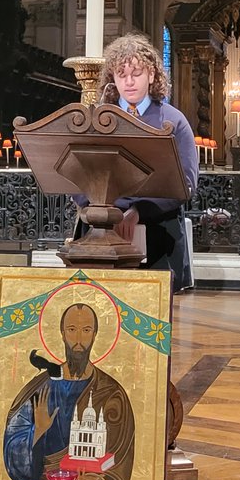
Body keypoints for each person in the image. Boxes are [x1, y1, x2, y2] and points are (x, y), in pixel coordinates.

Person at [95, 33, 200, 292]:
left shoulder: (173, 121)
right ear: (112, 79)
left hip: (159, 234)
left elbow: (185, 185)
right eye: (121, 74)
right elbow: (78, 174)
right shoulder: (97, 119)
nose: (129, 82)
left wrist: (138, 211)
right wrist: (107, 210)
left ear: (152, 75)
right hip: (102, 232)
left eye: (137, 73)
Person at [2, 303, 135, 480]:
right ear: (62, 333)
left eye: (86, 330)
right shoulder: (40, 388)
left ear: (95, 334)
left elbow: (119, 461)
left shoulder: (112, 393)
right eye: (72, 330)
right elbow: (14, 448)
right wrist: (37, 430)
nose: (79, 339)